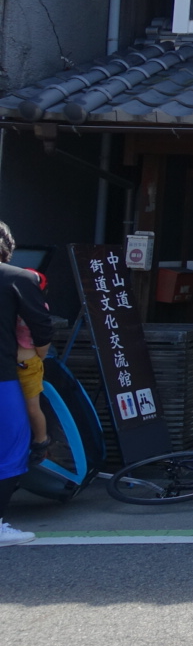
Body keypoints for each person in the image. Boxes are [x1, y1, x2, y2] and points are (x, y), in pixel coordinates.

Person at [0, 221, 51, 545]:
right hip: (3, 377)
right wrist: (35, 359)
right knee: (10, 447)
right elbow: (42, 329)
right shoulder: (18, 279)